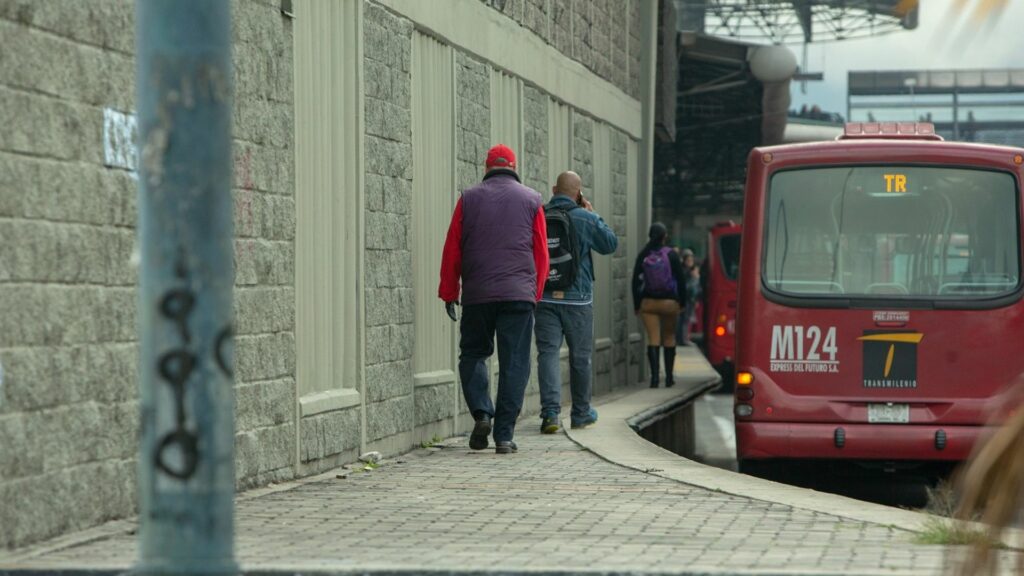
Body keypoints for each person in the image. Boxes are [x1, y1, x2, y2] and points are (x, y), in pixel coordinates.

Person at [438, 144, 550, 455]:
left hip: (478, 295)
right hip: (519, 295)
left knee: (473, 353)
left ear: (486, 167)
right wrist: (535, 294)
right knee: (515, 362)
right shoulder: (532, 200)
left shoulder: (469, 198)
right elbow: (541, 253)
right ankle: (504, 435)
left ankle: (481, 413)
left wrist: (449, 291)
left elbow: (453, 250)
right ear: (514, 166)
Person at [535, 171, 618, 434]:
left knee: (547, 353)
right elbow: (610, 244)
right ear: (578, 193)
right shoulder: (585, 217)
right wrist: (593, 214)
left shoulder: (538, 214)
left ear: (553, 189)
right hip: (578, 299)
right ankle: (581, 413)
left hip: (545, 295)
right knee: (580, 357)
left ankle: (550, 414)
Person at [632, 223, 686, 388]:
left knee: (653, 338)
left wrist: (637, 304)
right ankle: (669, 378)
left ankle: (655, 379)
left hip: (648, 303)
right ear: (665, 236)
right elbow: (682, 280)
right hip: (670, 303)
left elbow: (635, 281)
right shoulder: (671, 255)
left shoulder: (644, 254)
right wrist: (682, 302)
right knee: (669, 337)